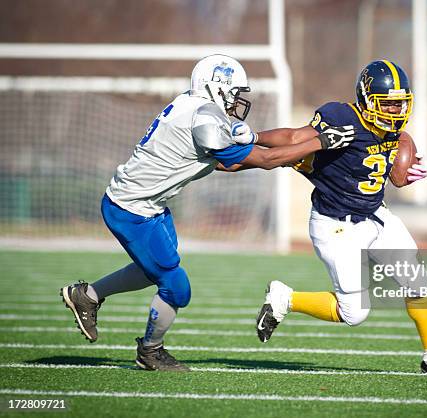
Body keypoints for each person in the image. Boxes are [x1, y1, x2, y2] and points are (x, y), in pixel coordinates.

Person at [60, 54, 356, 372]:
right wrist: (320, 143)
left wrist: (270, 145)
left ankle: (87, 295)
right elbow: (266, 161)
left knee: (154, 270)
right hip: (131, 208)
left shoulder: (194, 106)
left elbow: (227, 163)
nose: (237, 99)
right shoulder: (205, 119)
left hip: (149, 204)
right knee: (175, 285)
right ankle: (150, 351)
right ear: (217, 87)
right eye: (233, 91)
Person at [245, 59, 427, 374]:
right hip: (337, 225)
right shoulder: (342, 117)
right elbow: (293, 138)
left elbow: (397, 159)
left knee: (418, 282)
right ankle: (286, 298)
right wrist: (252, 137)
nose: (395, 113)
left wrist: (404, 170)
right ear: (367, 100)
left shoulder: (391, 130)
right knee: (354, 313)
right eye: (388, 105)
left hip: (375, 216)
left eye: (400, 105)